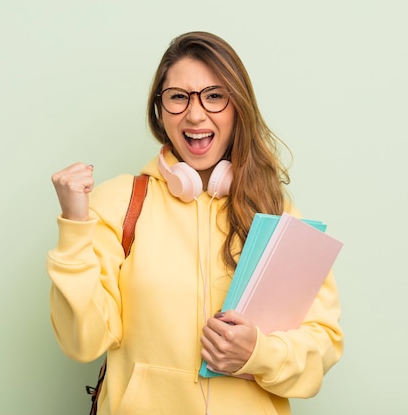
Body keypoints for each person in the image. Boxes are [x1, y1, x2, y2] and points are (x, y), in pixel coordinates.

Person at [47, 31, 343, 415]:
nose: (195, 114)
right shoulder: (119, 203)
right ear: (160, 109)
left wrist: (258, 353)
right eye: (178, 97)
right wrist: (74, 223)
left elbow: (321, 345)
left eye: (215, 96)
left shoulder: (277, 213)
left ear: (238, 107)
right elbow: (81, 341)